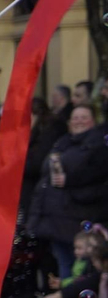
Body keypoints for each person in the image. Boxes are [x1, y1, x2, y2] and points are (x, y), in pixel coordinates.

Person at [30, 104, 108, 278]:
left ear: (94, 121)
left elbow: (98, 174)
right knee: (63, 260)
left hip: (78, 214)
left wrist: (70, 182)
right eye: (75, 118)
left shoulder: (98, 144)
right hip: (57, 216)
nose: (78, 121)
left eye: (84, 117)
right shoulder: (63, 142)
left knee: (81, 263)